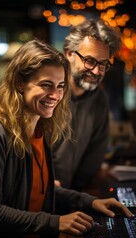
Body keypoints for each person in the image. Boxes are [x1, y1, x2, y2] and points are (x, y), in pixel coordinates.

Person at [0, 39, 134, 238]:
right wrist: (55, 222)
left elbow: (42, 194)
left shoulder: (40, 129)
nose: (56, 95)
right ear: (19, 83)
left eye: (60, 86)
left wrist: (90, 202)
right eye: (45, 85)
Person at [52, 18, 121, 191]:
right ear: (69, 53)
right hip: (32, 200)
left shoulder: (99, 99)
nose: (97, 71)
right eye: (90, 61)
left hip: (72, 199)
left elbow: (94, 157)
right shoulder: (46, 92)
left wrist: (78, 200)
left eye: (103, 64)